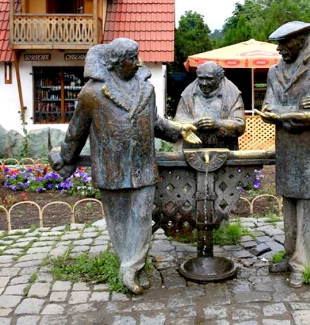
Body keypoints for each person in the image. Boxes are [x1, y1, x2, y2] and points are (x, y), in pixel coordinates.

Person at [49, 39, 200, 295]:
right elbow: (77, 131)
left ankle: (131, 267)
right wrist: (65, 156)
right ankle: (131, 268)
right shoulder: (92, 93)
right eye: (134, 58)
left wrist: (178, 130)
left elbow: (154, 123)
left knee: (142, 218)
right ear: (117, 63)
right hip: (111, 169)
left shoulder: (146, 89)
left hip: (142, 167)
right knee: (118, 224)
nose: (139, 62)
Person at [256, 21, 310, 288]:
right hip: (287, 148)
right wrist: (292, 110)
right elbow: (267, 108)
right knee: (289, 203)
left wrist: (282, 112)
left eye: (283, 43)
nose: (278, 49)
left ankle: (303, 263)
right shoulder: (274, 72)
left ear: (300, 42)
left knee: (308, 205)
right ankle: (290, 254)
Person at [175, 61, 245, 150]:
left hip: (225, 152)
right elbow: (177, 123)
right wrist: (195, 124)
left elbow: (240, 126)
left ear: (220, 78)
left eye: (209, 79)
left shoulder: (232, 94)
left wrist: (217, 124)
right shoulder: (188, 94)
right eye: (201, 78)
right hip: (192, 153)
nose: (204, 83)